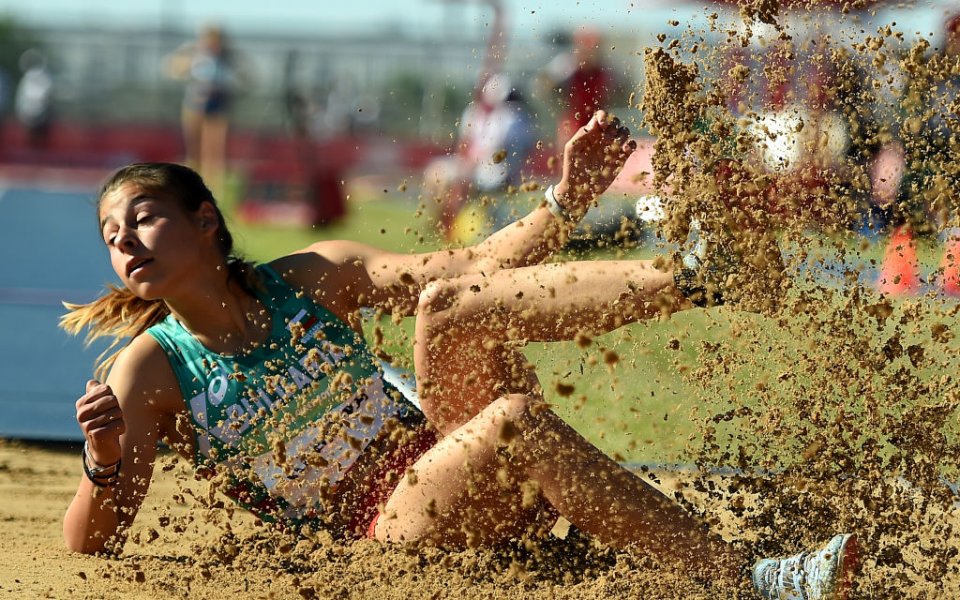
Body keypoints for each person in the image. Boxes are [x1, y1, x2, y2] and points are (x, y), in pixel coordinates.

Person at [60, 111, 856, 599]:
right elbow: (94, 547)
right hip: (385, 533)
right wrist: (102, 457)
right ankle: (751, 583)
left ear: (204, 222)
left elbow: (465, 273)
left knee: (445, 309)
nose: (125, 241)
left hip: (446, 460)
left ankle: (702, 277)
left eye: (143, 218)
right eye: (111, 236)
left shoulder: (306, 277)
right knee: (512, 419)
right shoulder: (148, 371)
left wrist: (565, 202)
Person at [423, 72, 536, 239]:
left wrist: (466, 166)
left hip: (494, 171)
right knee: (436, 174)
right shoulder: (473, 112)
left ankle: (448, 223)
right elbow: (465, 144)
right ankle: (442, 221)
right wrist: (464, 164)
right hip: (475, 165)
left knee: (453, 179)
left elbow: (493, 153)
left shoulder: (509, 117)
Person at [164, 25, 249, 196]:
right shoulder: (193, 51)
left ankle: (215, 187)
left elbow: (246, 77)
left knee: (215, 148)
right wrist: (189, 63)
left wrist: (230, 79)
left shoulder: (229, 57)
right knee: (193, 147)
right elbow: (172, 69)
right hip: (195, 103)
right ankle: (192, 183)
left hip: (219, 103)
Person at [14, 48, 54, 149]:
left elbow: (46, 95)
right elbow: (22, 97)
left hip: (41, 114)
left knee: (40, 137)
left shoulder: (44, 78)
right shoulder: (27, 80)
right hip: (29, 113)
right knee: (31, 138)